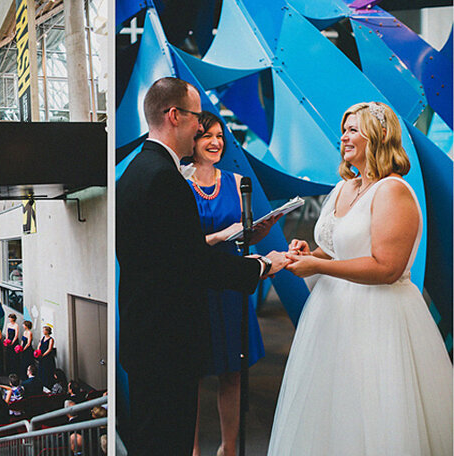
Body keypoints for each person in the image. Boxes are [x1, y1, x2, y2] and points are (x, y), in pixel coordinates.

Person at [268, 102, 453, 455]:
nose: (344, 136)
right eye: (344, 129)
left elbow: (387, 268)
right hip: (330, 316)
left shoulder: (393, 191)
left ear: (380, 137)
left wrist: (319, 267)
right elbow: (335, 249)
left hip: (378, 317)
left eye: (354, 129)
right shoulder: (342, 188)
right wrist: (310, 254)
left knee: (375, 408)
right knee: (331, 408)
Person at [116, 77, 287, 456]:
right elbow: (192, 262)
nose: (200, 128)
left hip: (145, 337)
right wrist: (261, 267)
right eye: (196, 119)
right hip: (166, 342)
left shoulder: (133, 174)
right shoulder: (165, 179)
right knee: (168, 441)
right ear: (175, 116)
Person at [188, 111, 280, 456]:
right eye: (206, 136)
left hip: (230, 285)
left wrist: (256, 232)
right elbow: (180, 245)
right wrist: (217, 237)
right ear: (192, 140)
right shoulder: (178, 183)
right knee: (192, 375)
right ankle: (192, 448)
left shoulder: (238, 180)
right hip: (196, 285)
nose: (215, 142)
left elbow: (242, 235)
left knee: (233, 372)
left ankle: (228, 448)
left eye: (220, 136)